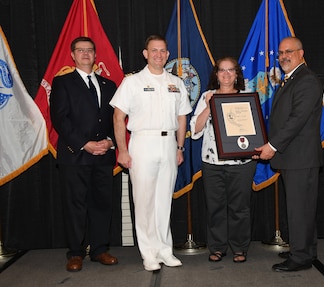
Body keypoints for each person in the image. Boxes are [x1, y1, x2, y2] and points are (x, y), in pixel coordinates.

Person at [110, 35, 192, 272]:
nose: (159, 55)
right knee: (144, 201)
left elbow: (182, 117)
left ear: (167, 55)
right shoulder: (132, 82)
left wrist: (179, 148)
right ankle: (148, 253)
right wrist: (122, 151)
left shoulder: (176, 82)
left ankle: (165, 250)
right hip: (142, 143)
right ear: (145, 54)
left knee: (164, 200)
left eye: (163, 51)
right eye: (154, 50)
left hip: (168, 145)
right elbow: (118, 117)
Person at [253, 36, 323, 272]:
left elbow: (296, 120)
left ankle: (300, 257)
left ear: (301, 53)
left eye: (289, 52)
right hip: (294, 157)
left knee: (299, 208)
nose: (283, 56)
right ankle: (305, 248)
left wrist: (271, 146)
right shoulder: (291, 79)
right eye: (280, 53)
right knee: (302, 207)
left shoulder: (307, 80)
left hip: (300, 158)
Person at [50, 36, 118, 272]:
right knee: (75, 205)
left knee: (102, 204)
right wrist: (85, 144)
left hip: (104, 155)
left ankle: (99, 249)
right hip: (75, 155)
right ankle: (76, 253)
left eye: (89, 50)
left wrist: (110, 142)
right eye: (80, 50)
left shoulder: (109, 85)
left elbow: (115, 119)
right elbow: (60, 119)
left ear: (95, 54)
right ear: (73, 55)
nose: (86, 54)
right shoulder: (62, 83)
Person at [190, 57, 257, 263]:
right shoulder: (206, 96)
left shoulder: (247, 97)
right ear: (216, 74)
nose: (226, 74)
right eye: (222, 70)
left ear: (237, 74)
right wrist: (210, 105)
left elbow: (255, 129)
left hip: (242, 163)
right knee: (215, 206)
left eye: (231, 70)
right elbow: (195, 130)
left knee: (239, 207)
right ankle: (217, 247)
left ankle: (239, 247)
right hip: (213, 162)